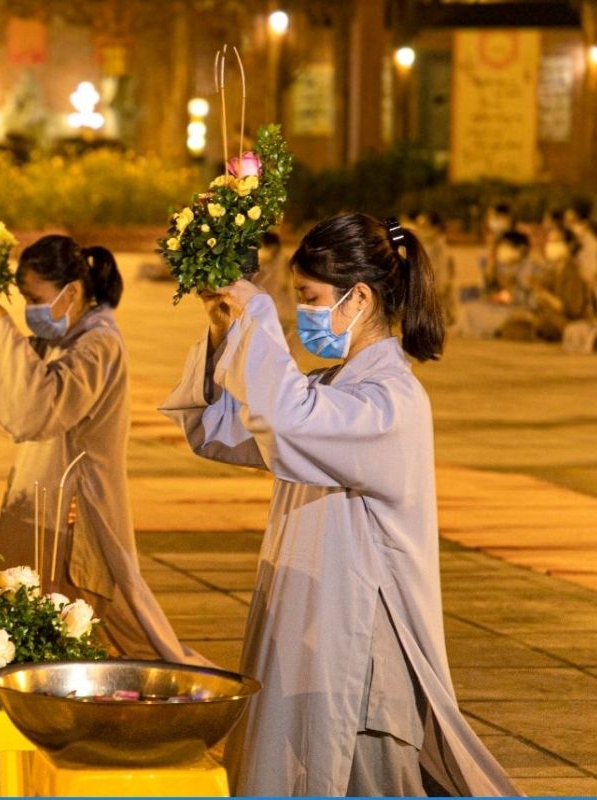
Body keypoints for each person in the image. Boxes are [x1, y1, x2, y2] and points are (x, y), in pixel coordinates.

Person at [160, 213, 518, 796]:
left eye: (309, 297)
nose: (301, 312)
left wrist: (256, 314)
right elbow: (220, 431)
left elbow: (284, 416)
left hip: (359, 651)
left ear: (358, 298)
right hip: (313, 626)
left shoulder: (389, 400)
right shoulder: (333, 387)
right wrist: (225, 329)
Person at [0, 235, 199, 663]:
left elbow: (43, 405)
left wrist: (3, 329)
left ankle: (165, 684)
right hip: (38, 497)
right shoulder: (64, 337)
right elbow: (6, 384)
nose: (30, 309)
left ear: (74, 291)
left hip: (75, 505)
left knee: (101, 620)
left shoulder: (98, 344)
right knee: (28, 608)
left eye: (35, 297)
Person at [532, 226, 594, 342]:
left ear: (569, 245)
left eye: (556, 242)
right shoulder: (552, 272)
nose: (550, 246)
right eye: (549, 242)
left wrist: (544, 294)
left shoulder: (574, 273)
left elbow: (573, 310)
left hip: (569, 323)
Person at [250, 230, 294, 332]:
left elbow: (289, 287)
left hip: (279, 317)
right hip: (266, 317)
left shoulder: (280, 264)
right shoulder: (260, 267)